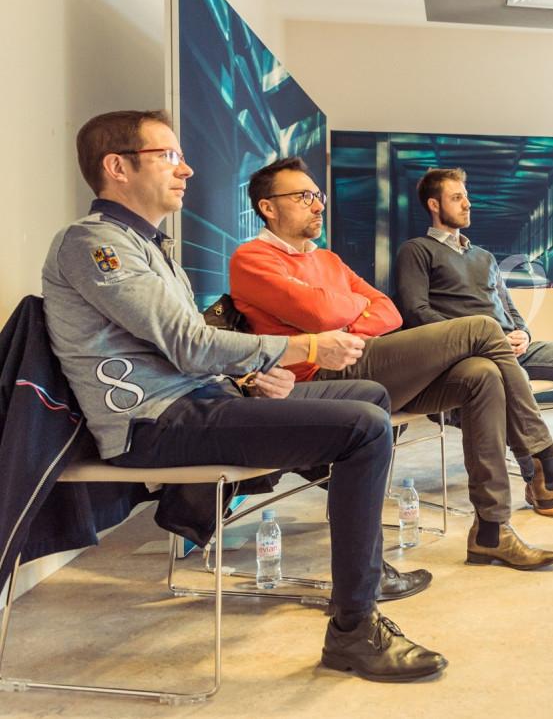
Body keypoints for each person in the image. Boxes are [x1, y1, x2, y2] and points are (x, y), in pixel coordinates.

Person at [42, 110, 443, 682]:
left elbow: (181, 351)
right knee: (364, 428)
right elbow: (187, 342)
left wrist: (249, 379)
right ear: (117, 167)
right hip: (154, 423)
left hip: (197, 401)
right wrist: (297, 349)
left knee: (368, 395)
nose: (187, 169)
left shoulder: (147, 247)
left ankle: (363, 571)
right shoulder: (95, 245)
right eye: (170, 157)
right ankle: (354, 627)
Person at [229, 158, 553, 553]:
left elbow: (385, 311)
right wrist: (348, 310)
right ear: (268, 207)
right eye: (304, 197)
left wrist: (342, 314)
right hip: (318, 377)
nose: (318, 205)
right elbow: (325, 313)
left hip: (367, 362)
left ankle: (492, 530)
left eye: (318, 196)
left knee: (481, 375)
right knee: (482, 329)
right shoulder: (251, 259)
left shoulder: (327, 260)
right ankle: (547, 461)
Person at [393, 167, 553, 519]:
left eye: (466, 196)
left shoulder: (484, 257)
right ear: (433, 204)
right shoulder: (417, 251)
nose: (467, 204)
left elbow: (509, 309)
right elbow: (416, 312)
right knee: (501, 382)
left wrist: (524, 334)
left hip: (513, 348)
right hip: (470, 355)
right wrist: (472, 337)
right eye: (457, 197)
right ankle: (548, 480)